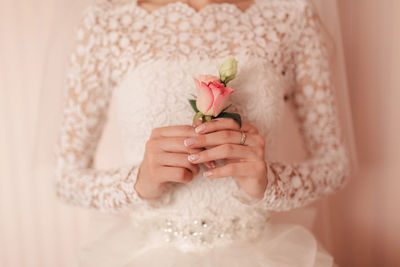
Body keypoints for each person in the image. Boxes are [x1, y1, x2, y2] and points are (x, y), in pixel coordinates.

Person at [53, 0, 353, 266]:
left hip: (259, 252)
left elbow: (335, 164)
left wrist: (269, 182)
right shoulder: (107, 25)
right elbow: (66, 178)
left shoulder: (290, 19)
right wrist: (137, 183)